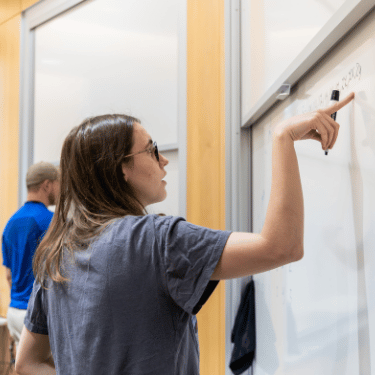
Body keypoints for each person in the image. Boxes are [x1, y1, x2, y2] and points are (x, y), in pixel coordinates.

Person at [15, 93, 354, 375]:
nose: (163, 160)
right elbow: (282, 247)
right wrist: (283, 137)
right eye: (151, 149)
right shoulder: (156, 240)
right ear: (121, 168)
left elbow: (27, 363)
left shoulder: (57, 253)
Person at [2, 162, 60, 350]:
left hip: (14, 313)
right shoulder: (50, 221)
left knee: (24, 367)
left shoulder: (10, 223)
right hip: (37, 315)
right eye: (59, 183)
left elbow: (8, 276)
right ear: (47, 185)